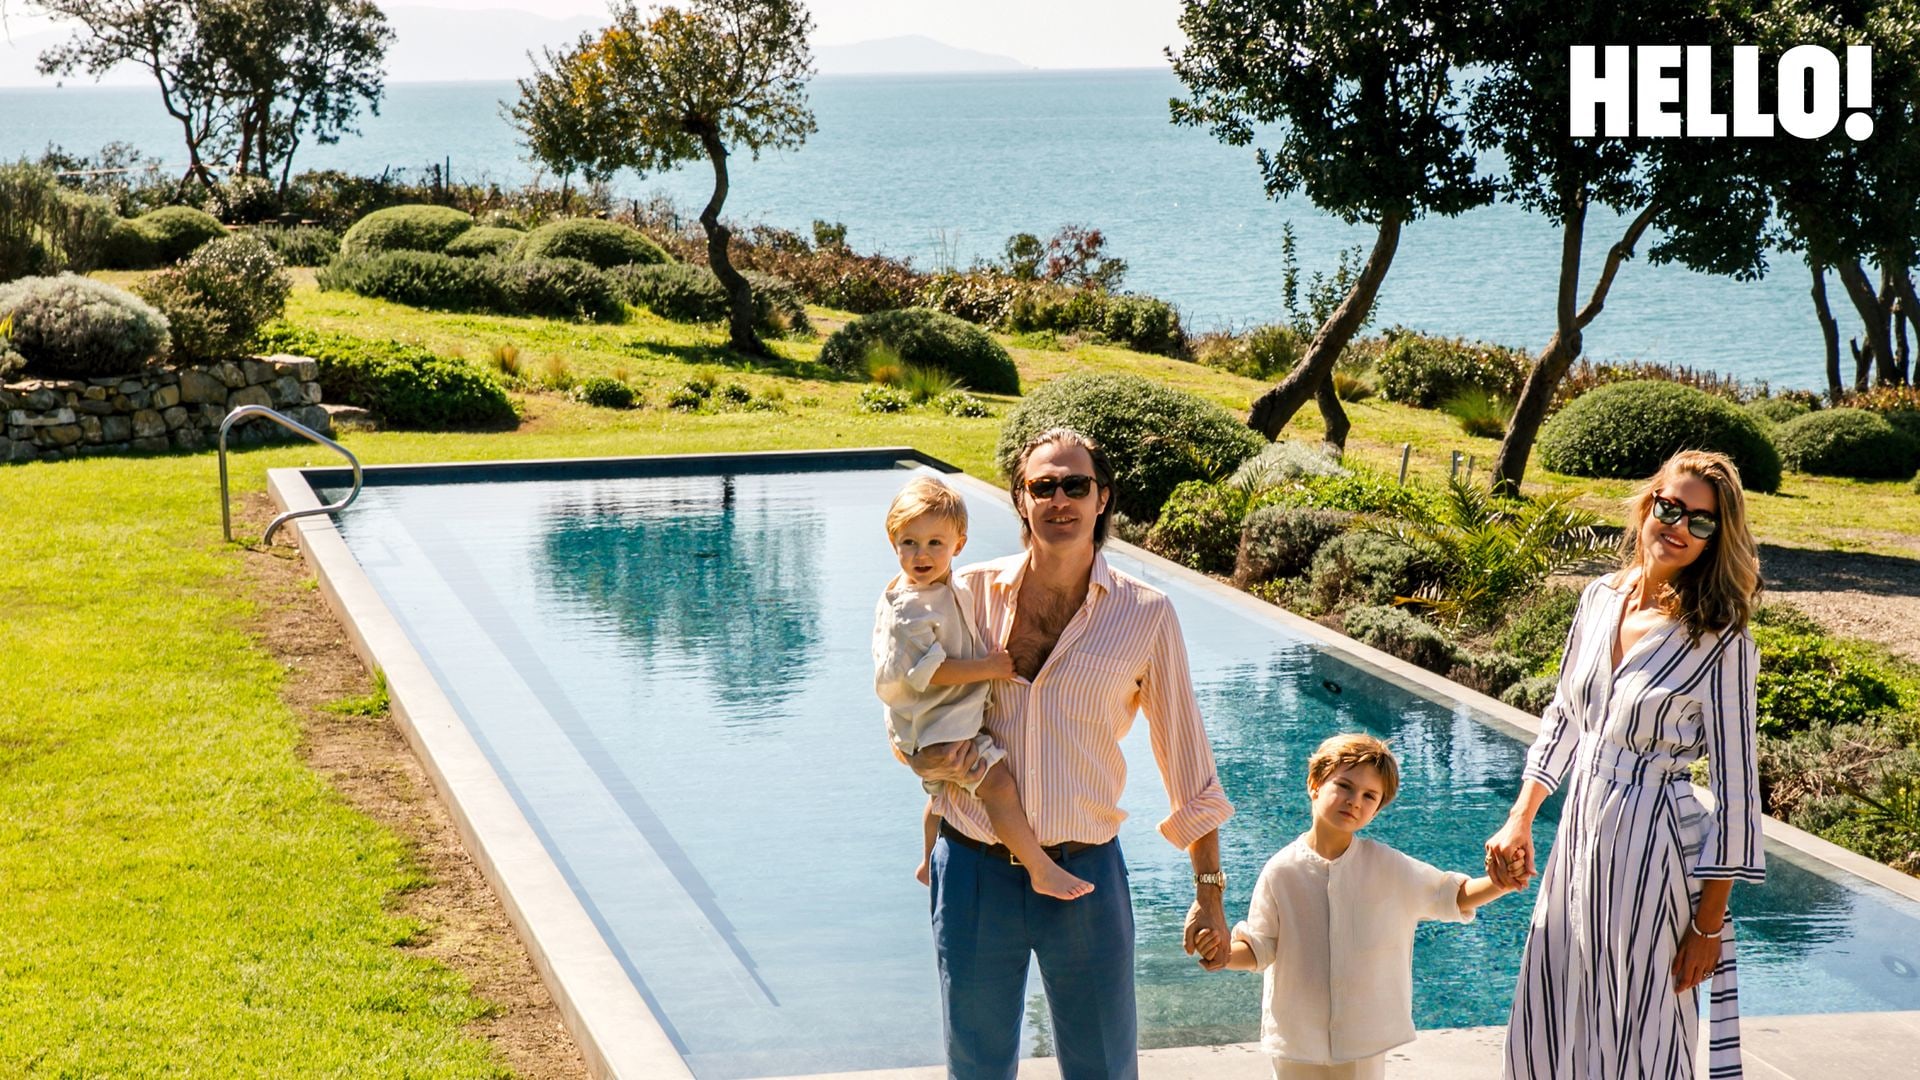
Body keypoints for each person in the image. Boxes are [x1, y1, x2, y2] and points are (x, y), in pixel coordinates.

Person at [903, 427, 1235, 1079]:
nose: (1059, 499)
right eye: (1042, 486)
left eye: (1074, 485)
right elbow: (908, 695)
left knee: (1104, 1068)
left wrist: (1210, 891)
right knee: (976, 1066)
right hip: (973, 869)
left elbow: (1187, 759)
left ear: (1102, 498)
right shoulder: (964, 595)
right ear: (1021, 501)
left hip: (1086, 876)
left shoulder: (1146, 614)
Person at [1484, 449, 1766, 1079]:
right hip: (1579, 831)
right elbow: (1564, 717)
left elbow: (1738, 793)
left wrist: (1708, 927)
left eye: (1700, 521)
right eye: (1671, 506)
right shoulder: (1598, 597)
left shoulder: (1720, 641)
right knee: (1554, 1003)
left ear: (1715, 539)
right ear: (1648, 503)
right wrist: (1522, 816)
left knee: (1639, 1023)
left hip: (1655, 846)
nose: (1678, 525)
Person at [1194, 733, 1515, 1080]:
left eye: (1369, 796)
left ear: (1377, 808)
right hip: (1296, 1039)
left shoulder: (1389, 867)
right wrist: (1224, 954)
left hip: (1363, 1040)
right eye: (1344, 786)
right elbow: (1260, 947)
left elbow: (1452, 895)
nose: (1354, 801)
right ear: (1315, 784)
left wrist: (1499, 882)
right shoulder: (1281, 871)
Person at [873, 475, 1094, 900]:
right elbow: (931, 672)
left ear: (959, 543)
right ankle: (1039, 867)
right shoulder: (911, 609)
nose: (922, 555)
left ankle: (925, 862)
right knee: (998, 787)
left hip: (937, 725)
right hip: (942, 729)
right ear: (892, 541)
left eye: (936, 543)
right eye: (909, 543)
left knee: (940, 796)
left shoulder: (943, 588)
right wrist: (987, 667)